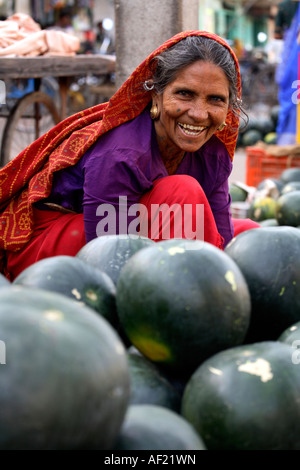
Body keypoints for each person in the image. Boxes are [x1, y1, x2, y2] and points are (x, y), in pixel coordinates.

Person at [0, 30, 259, 281]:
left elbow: (221, 241)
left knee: (249, 236)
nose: (199, 114)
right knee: (181, 194)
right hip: (59, 246)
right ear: (156, 95)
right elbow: (107, 258)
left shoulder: (212, 153)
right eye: (185, 94)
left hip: (131, 229)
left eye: (215, 99)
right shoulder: (121, 153)